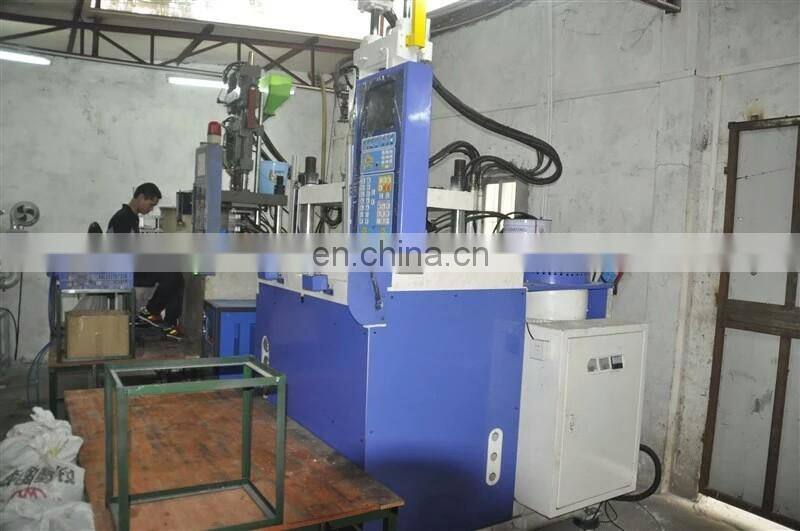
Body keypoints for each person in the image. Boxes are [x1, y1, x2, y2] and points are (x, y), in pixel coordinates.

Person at [108, 182, 185, 341]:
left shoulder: (130, 217)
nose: (151, 209)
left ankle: (168, 323)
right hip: (124, 271)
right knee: (173, 275)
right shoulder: (123, 219)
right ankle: (151, 312)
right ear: (141, 197)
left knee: (176, 276)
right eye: (151, 205)